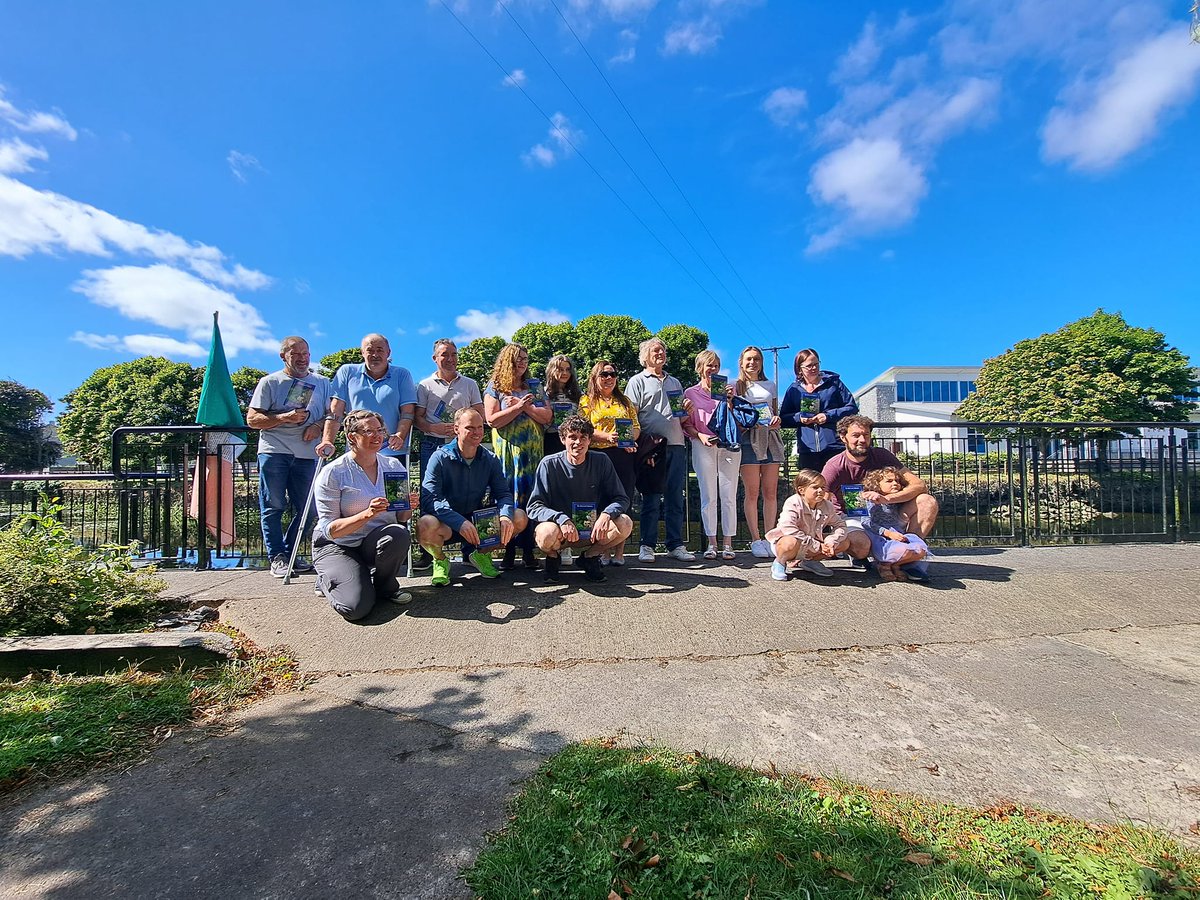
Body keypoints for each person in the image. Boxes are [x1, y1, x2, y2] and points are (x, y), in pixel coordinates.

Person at [247, 336, 335, 578]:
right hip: (274, 450)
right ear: (283, 356)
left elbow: (332, 414)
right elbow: (252, 420)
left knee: (311, 507)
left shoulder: (322, 382)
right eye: (295, 354)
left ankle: (291, 553)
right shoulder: (270, 382)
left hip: (308, 454)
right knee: (273, 506)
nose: (302, 358)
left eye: (305, 353)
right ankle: (277, 557)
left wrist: (317, 427)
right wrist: (283, 418)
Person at [311, 410, 413, 620]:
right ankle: (327, 578)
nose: (377, 436)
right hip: (338, 545)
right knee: (356, 609)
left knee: (399, 534)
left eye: (380, 430)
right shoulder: (333, 472)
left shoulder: (393, 466)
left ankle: (386, 587)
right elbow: (330, 530)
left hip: (372, 542)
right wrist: (367, 514)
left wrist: (409, 506)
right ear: (351, 436)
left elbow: (402, 518)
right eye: (368, 431)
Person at [416, 408, 526, 587]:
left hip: (477, 523)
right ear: (456, 429)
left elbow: (504, 494)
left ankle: (481, 554)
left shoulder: (490, 459)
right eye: (470, 428)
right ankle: (440, 559)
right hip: (448, 524)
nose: (477, 432)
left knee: (519, 517)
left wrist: (505, 515)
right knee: (425, 525)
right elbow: (430, 499)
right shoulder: (439, 457)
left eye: (480, 427)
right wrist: (458, 522)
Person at [821, 414, 939, 580]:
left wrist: (888, 499)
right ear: (843, 437)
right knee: (861, 546)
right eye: (856, 435)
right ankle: (861, 555)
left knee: (927, 501)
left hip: (888, 512)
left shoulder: (882, 455)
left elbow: (919, 485)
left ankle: (906, 556)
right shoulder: (835, 465)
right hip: (855, 516)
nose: (862, 439)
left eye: (866, 435)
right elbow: (819, 497)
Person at [527, 415, 634, 583]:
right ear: (563, 439)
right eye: (572, 437)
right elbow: (534, 506)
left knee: (625, 523)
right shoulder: (548, 464)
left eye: (583, 437)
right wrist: (561, 519)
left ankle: (590, 557)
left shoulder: (602, 461)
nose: (578, 442)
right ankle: (553, 559)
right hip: (560, 530)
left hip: (591, 530)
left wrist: (606, 514)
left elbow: (621, 498)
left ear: (590, 440)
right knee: (545, 533)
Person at [413, 338, 485, 569]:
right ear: (435, 358)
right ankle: (431, 554)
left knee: (468, 495)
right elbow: (418, 419)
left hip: (463, 446)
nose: (450, 358)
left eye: (453, 354)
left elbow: (480, 415)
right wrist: (432, 427)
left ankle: (469, 550)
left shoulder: (470, 384)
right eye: (445, 354)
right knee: (430, 497)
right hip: (433, 443)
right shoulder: (424, 385)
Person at [484, 343, 552, 570]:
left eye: (525, 358)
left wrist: (525, 408)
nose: (523, 362)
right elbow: (492, 420)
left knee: (531, 497)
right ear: (507, 360)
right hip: (507, 453)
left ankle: (529, 550)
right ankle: (509, 550)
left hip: (532, 452)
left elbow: (547, 417)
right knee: (509, 498)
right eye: (518, 358)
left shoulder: (534, 386)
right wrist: (517, 408)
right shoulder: (496, 386)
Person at [626, 337, 694, 563]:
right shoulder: (637, 381)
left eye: (663, 350)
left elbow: (681, 418)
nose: (660, 353)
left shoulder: (675, 382)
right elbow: (630, 415)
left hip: (676, 444)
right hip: (651, 447)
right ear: (645, 356)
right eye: (655, 350)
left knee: (676, 497)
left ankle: (675, 544)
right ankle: (647, 545)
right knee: (651, 498)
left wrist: (687, 410)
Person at [577, 359, 640, 565]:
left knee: (623, 498)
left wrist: (628, 439)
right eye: (604, 374)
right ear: (595, 377)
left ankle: (619, 551)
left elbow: (636, 426)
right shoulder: (586, 401)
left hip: (623, 455)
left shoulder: (625, 401)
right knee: (601, 501)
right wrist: (607, 437)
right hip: (598, 456)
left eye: (613, 374)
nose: (609, 378)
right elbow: (584, 428)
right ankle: (602, 550)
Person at [682, 351, 740, 561]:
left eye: (716, 365)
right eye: (708, 365)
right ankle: (711, 543)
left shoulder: (727, 390)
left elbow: (735, 420)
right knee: (708, 495)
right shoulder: (690, 393)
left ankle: (728, 543)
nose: (713, 369)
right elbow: (686, 424)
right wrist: (700, 436)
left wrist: (730, 401)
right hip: (702, 444)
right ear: (700, 368)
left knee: (729, 494)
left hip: (727, 445)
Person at [322, 333, 418, 459]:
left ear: (388, 353)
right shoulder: (347, 372)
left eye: (379, 350)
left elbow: (408, 412)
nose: (375, 355)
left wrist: (400, 435)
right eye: (370, 350)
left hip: (392, 451)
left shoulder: (402, 375)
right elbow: (336, 411)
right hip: (357, 451)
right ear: (362, 352)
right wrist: (327, 440)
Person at [734, 346, 785, 559]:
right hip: (748, 440)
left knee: (770, 492)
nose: (752, 363)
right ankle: (755, 539)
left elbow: (774, 412)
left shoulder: (770, 385)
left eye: (756, 359)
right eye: (748, 359)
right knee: (752, 492)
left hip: (770, 439)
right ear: (741, 362)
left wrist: (776, 421)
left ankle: (770, 537)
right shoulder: (735, 386)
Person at [779, 348, 858, 473]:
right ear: (800, 369)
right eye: (809, 366)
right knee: (811, 488)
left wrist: (828, 416)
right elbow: (783, 419)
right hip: (807, 450)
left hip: (835, 446)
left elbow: (852, 408)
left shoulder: (834, 383)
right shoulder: (793, 389)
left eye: (816, 364)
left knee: (836, 487)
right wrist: (800, 418)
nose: (814, 368)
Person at [765, 469, 850, 581]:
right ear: (801, 490)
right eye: (815, 487)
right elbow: (788, 528)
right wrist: (817, 545)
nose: (820, 490)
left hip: (811, 544)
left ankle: (810, 561)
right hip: (792, 542)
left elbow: (840, 525)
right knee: (790, 542)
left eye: (823, 487)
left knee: (844, 543)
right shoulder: (793, 502)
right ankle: (780, 561)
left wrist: (831, 541)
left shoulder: (827, 505)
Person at [861, 466, 931, 582]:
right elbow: (866, 522)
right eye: (889, 481)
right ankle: (885, 565)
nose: (895, 483)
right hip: (881, 535)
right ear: (877, 484)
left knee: (920, 549)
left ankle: (895, 565)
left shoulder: (898, 498)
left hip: (897, 531)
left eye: (897, 481)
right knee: (899, 549)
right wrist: (888, 533)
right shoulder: (872, 499)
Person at [542, 354, 582, 457]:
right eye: (560, 369)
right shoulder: (543, 393)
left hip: (573, 439)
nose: (565, 373)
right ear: (552, 371)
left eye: (568, 370)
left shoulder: (578, 394)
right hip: (550, 438)